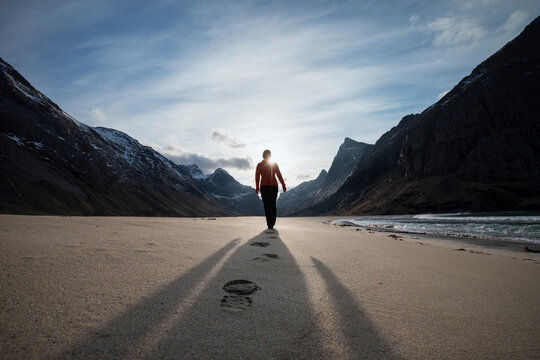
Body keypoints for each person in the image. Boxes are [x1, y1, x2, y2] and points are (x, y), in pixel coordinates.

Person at [255, 149, 286, 229]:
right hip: (273, 187)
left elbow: (257, 177)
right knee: (272, 205)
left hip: (264, 187)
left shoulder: (259, 165)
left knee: (267, 205)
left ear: (263, 155)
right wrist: (283, 185)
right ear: (270, 155)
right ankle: (272, 222)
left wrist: (257, 187)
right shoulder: (274, 164)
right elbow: (279, 175)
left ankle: (270, 224)